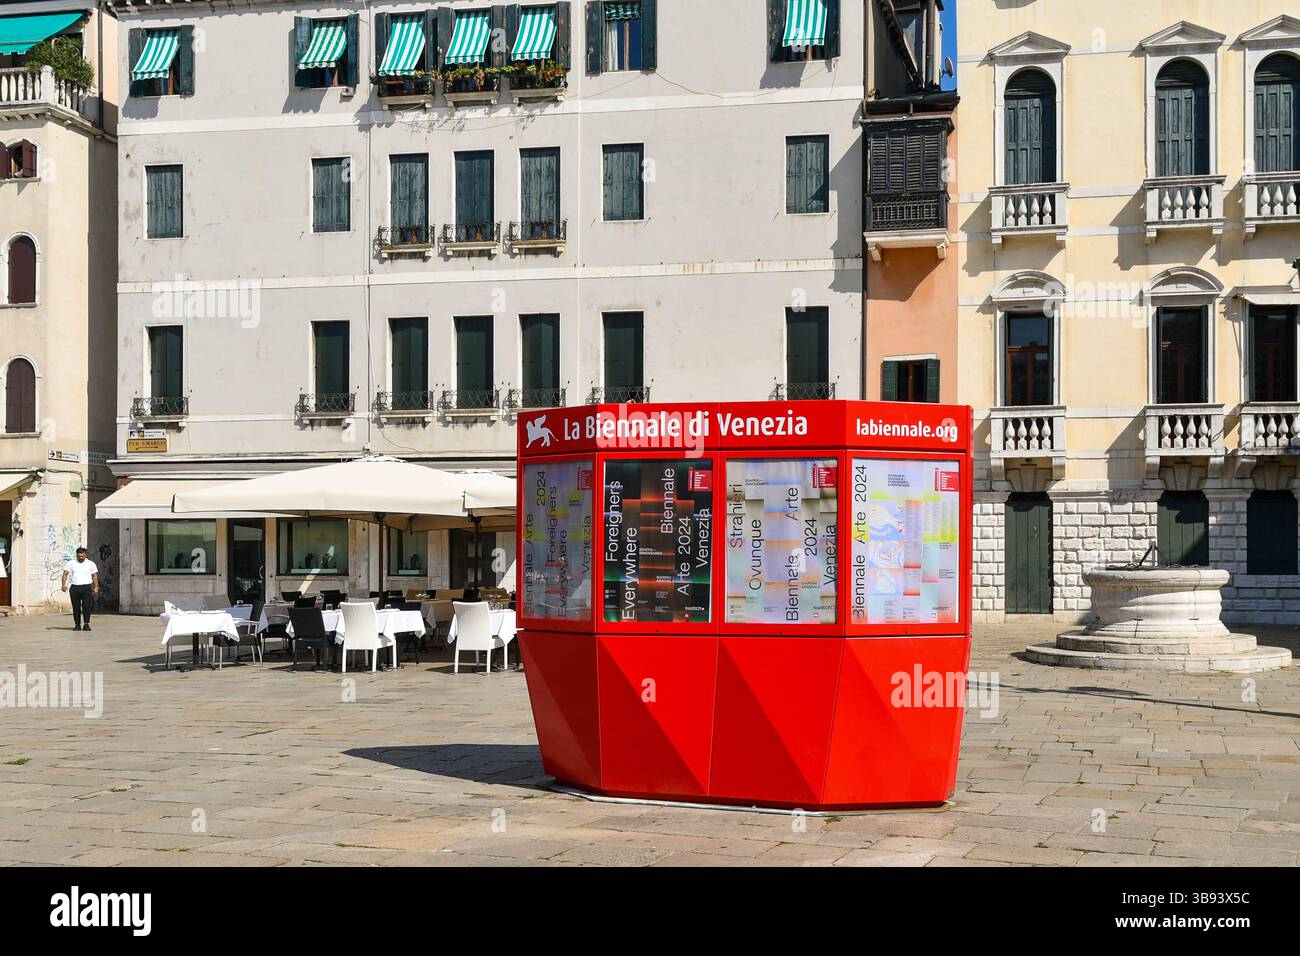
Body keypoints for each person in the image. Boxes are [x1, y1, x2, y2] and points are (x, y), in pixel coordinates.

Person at [61, 547, 99, 631]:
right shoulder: (71, 563)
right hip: (75, 587)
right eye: (79, 556)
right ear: (76, 555)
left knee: (87, 607)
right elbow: (65, 574)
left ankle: (86, 624)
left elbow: (94, 576)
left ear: (85, 555)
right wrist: (63, 585)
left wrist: (96, 587)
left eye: (82, 556)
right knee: (76, 607)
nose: (81, 558)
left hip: (86, 587)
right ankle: (77, 624)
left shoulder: (91, 564)